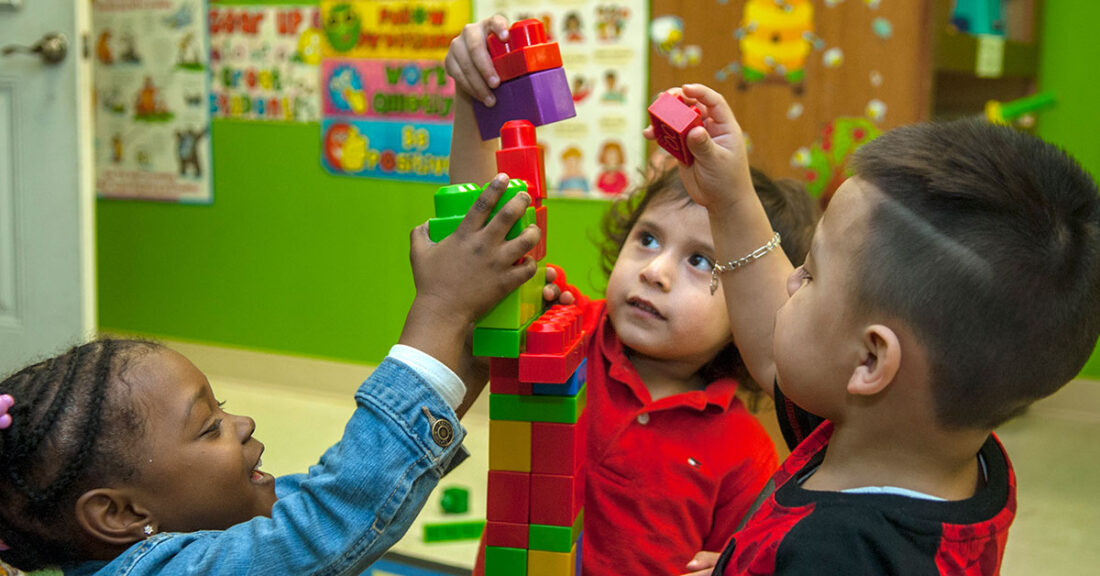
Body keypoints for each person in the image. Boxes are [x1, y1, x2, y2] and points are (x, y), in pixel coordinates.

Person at [657, 83, 1100, 575]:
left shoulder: (835, 555)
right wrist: (730, 197)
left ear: (870, 361)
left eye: (812, 273)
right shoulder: (934, 444)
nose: (790, 280)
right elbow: (775, 349)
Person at [0, 176, 541, 575]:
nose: (243, 422)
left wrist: (467, 355)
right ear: (120, 513)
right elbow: (329, 518)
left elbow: (334, 492)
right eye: (208, 426)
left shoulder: (191, 532)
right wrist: (440, 310)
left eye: (223, 408)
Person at [444, 18, 821, 575]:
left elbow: (743, 555)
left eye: (700, 262)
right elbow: (480, 245)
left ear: (748, 299)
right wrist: (474, 106)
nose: (656, 272)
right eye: (647, 240)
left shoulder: (745, 451)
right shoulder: (566, 330)